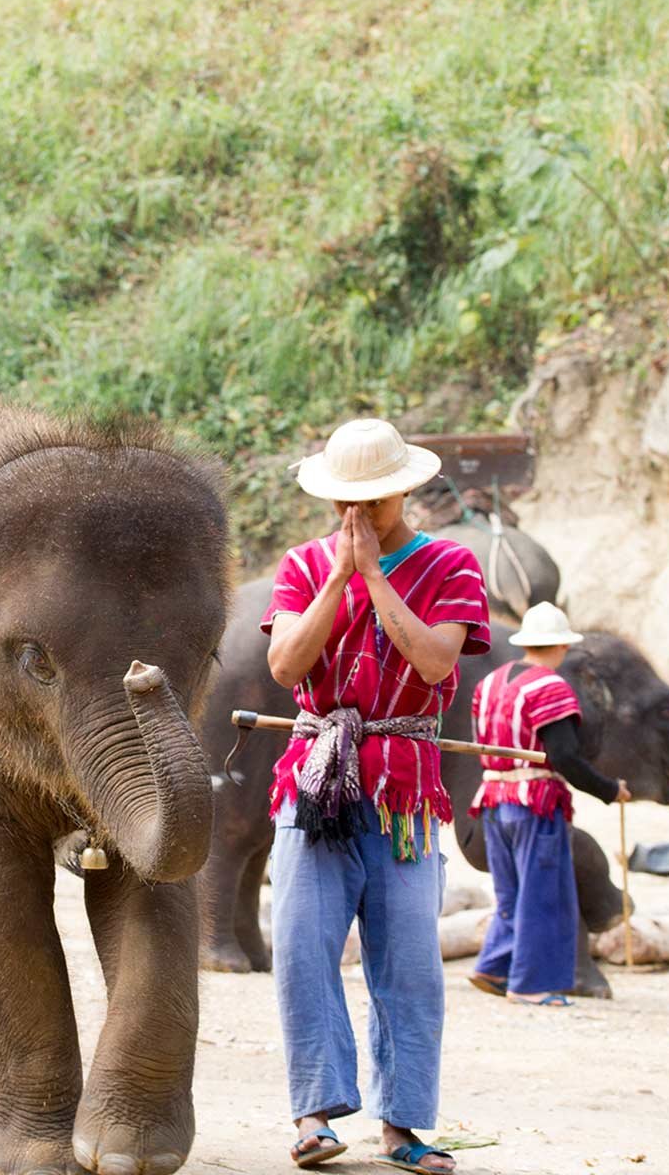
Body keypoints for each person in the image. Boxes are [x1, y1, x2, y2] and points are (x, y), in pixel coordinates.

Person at [262, 418, 489, 1174]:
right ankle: (314, 1113)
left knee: (411, 965)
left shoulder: (451, 564)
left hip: (404, 792)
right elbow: (287, 666)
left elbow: (434, 664)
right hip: (315, 780)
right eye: (343, 500)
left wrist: (376, 578)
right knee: (302, 949)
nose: (355, 513)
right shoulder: (303, 565)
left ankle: (404, 1126)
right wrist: (338, 579)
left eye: (373, 500)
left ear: (405, 492)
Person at [466, 602, 631, 1007]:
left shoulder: (490, 683)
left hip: (493, 799)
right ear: (561, 646)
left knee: (510, 894)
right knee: (542, 894)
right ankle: (530, 984)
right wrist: (610, 790)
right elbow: (566, 757)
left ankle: (494, 965)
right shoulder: (551, 688)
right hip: (533, 804)